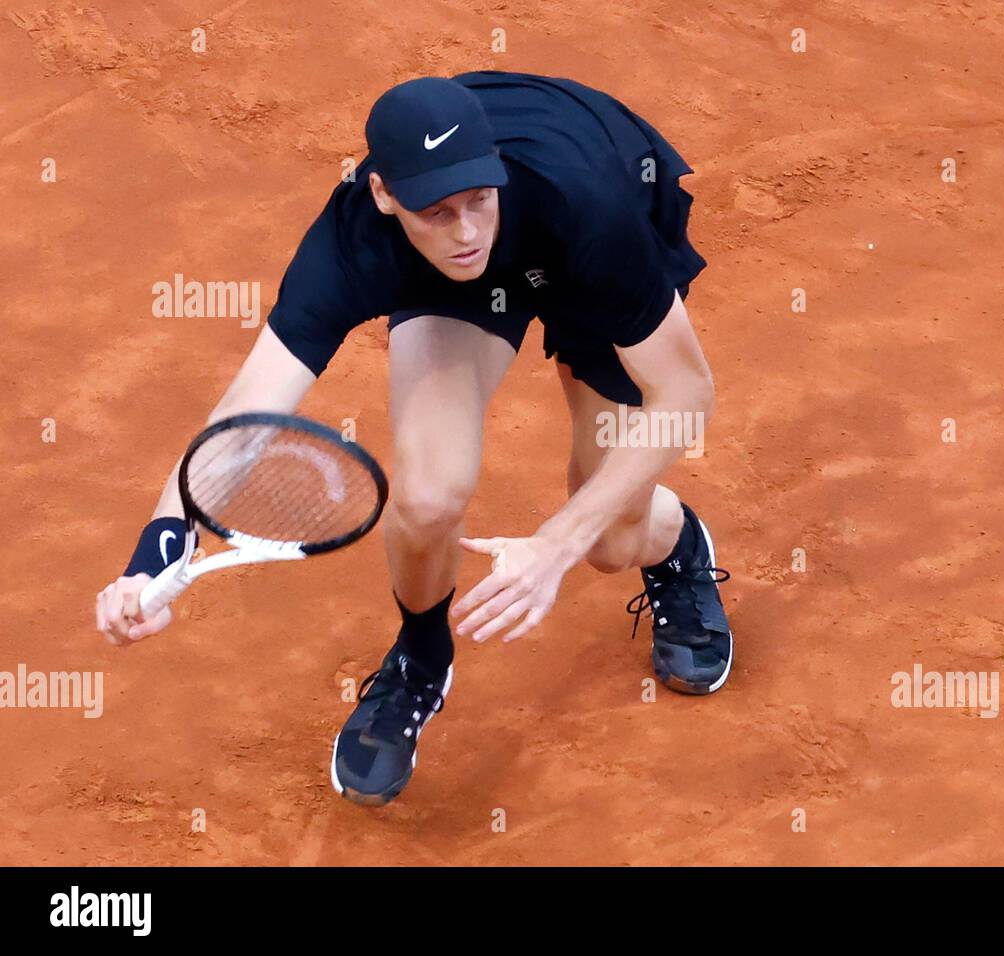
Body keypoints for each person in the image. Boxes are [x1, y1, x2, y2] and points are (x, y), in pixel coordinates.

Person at [94, 71, 733, 807]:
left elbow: (685, 395)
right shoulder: (352, 245)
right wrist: (153, 555)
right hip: (452, 290)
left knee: (608, 542)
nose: (465, 232)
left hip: (576, 254)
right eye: (436, 211)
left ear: (493, 172)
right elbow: (244, 419)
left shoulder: (584, 202)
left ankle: (678, 544)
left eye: (476, 202)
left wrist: (555, 545)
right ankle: (422, 660)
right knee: (428, 496)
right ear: (383, 196)